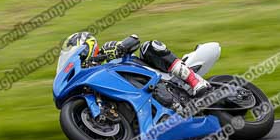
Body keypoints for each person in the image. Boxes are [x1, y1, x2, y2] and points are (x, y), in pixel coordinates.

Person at [62, 32, 211, 96]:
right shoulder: (88, 80)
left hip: (157, 78)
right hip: (139, 93)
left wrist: (121, 47)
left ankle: (194, 81)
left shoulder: (106, 51)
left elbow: (134, 39)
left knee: (150, 47)